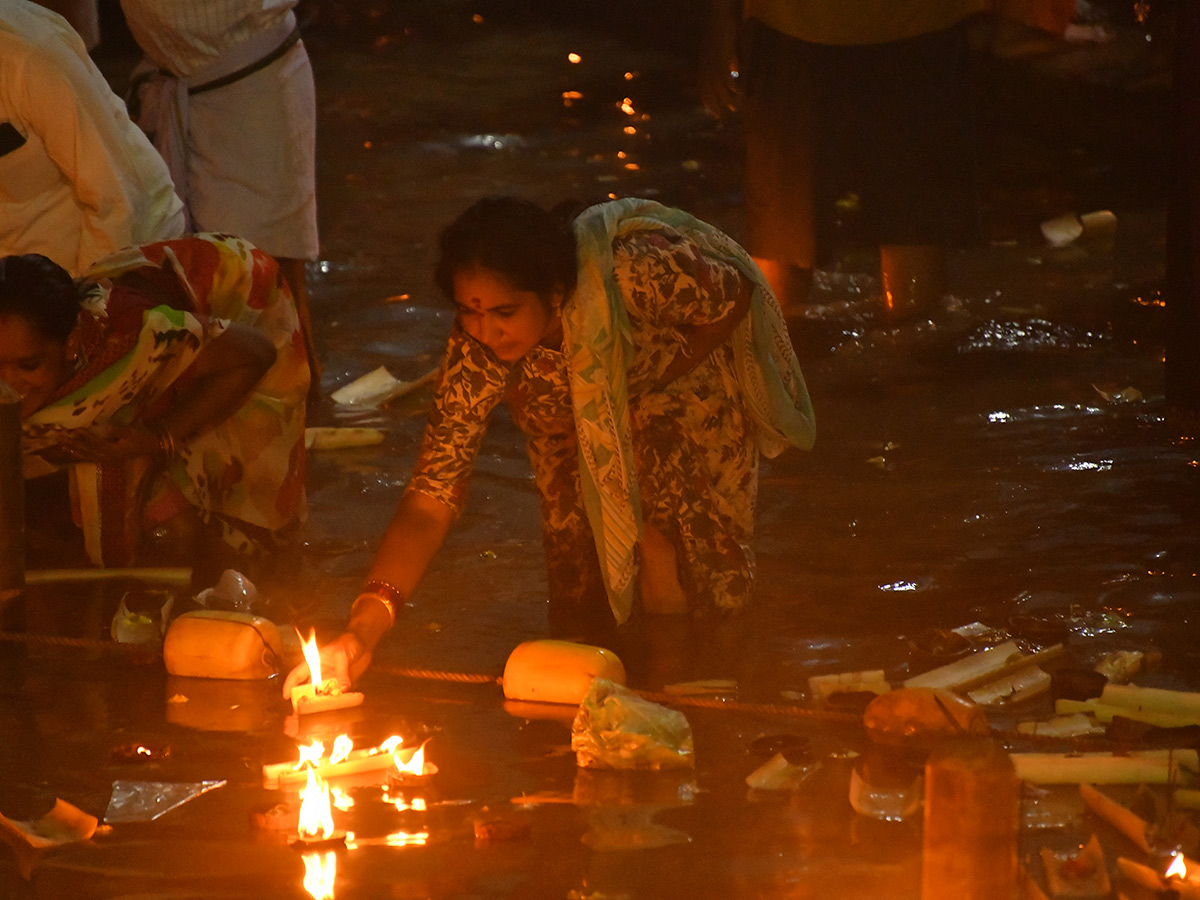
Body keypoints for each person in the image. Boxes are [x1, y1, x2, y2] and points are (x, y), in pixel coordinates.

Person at [283, 196, 815, 696]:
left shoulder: (629, 277)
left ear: (553, 291)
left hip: (678, 400)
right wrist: (364, 627)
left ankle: (689, 705)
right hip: (569, 432)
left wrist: (655, 379)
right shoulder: (478, 348)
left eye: (505, 312)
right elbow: (433, 492)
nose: (486, 331)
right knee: (580, 600)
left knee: (685, 579)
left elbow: (736, 293)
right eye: (471, 311)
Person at [2, 233, 309, 577]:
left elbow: (257, 353)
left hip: (244, 302)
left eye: (28, 365)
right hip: (162, 298)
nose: (8, 383)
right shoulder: (43, 343)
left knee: (234, 512)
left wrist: (158, 436)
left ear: (71, 343)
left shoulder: (136, 341)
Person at [699, 0, 984, 317]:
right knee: (910, 229)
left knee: (785, 239)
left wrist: (722, 22)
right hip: (904, 22)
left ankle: (776, 351)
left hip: (802, 25)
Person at [119, 0, 322, 396]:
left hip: (252, 75)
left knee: (264, 281)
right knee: (187, 269)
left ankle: (292, 414)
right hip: (177, 71)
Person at [0, 0, 184, 277]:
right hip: (26, 272)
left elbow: (116, 198)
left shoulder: (31, 57)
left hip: (124, 248)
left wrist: (88, 300)